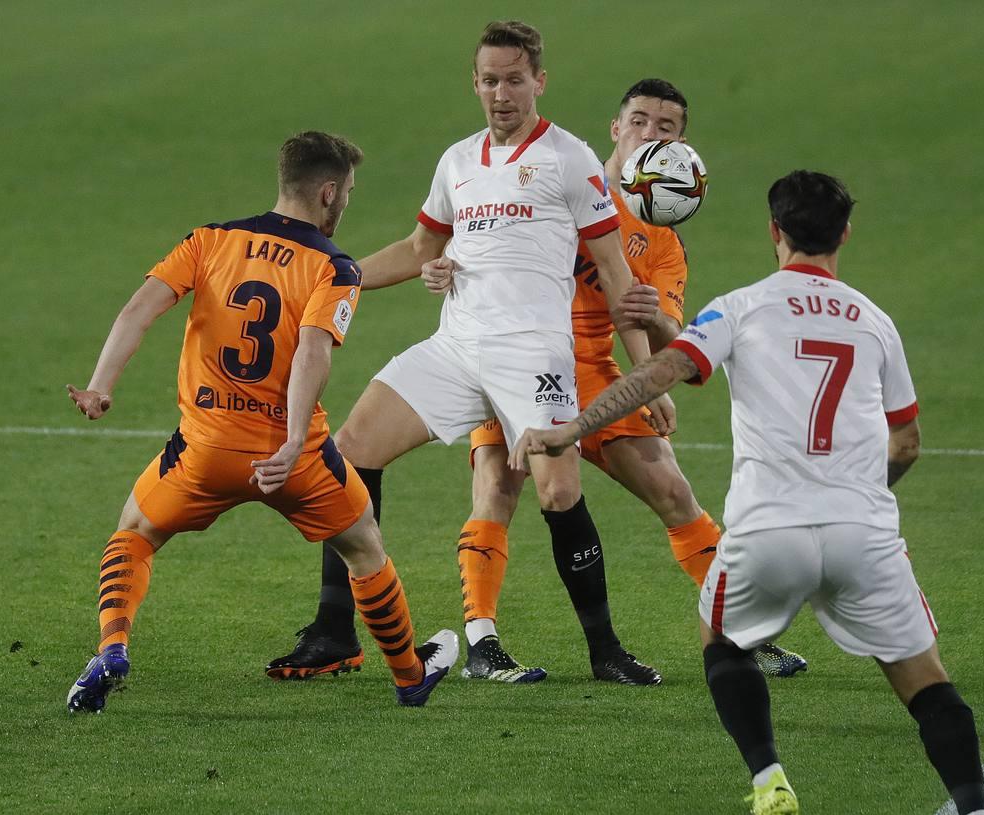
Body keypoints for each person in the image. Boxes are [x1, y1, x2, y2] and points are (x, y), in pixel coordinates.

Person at [512, 170, 984, 815]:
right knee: (926, 682)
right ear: (844, 233)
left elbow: (657, 374)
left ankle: (767, 778)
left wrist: (570, 431)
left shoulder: (740, 307)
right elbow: (906, 442)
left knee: (721, 642)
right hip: (861, 531)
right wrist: (864, 493)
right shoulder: (874, 320)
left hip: (766, 529)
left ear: (774, 231)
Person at [266, 22, 663, 685]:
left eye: (513, 79)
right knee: (351, 449)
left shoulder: (571, 159)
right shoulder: (457, 161)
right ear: (473, 84)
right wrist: (333, 275)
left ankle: (605, 652)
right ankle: (335, 631)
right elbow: (420, 249)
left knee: (558, 490)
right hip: (455, 346)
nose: (500, 94)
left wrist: (651, 372)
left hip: (533, 353)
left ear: (538, 81)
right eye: (488, 80)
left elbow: (614, 269)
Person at [64, 131, 458, 713]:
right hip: (290, 459)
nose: (347, 202)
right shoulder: (334, 266)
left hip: (203, 451)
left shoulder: (210, 240)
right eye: (348, 192)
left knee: (136, 533)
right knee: (363, 545)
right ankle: (409, 676)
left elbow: (138, 309)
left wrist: (101, 385)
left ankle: (113, 647)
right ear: (327, 192)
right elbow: (312, 351)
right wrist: (295, 438)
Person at [448, 78, 807, 684]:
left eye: (665, 128)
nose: (650, 133)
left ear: (682, 146)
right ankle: (482, 642)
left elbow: (670, 331)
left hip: (592, 370)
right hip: (515, 358)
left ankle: (740, 631)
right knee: (499, 485)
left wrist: (655, 341)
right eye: (639, 121)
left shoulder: (664, 238)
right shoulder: (560, 179)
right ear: (616, 129)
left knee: (672, 490)